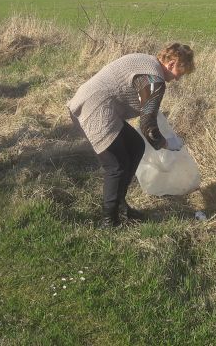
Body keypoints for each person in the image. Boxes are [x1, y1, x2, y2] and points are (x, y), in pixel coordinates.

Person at [67, 43, 195, 226]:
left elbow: (147, 113)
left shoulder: (147, 62)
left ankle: (121, 207)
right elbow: (148, 127)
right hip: (92, 111)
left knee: (135, 146)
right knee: (116, 165)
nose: (177, 79)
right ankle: (109, 221)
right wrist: (166, 144)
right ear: (171, 63)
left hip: (89, 102)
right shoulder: (154, 80)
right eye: (180, 73)